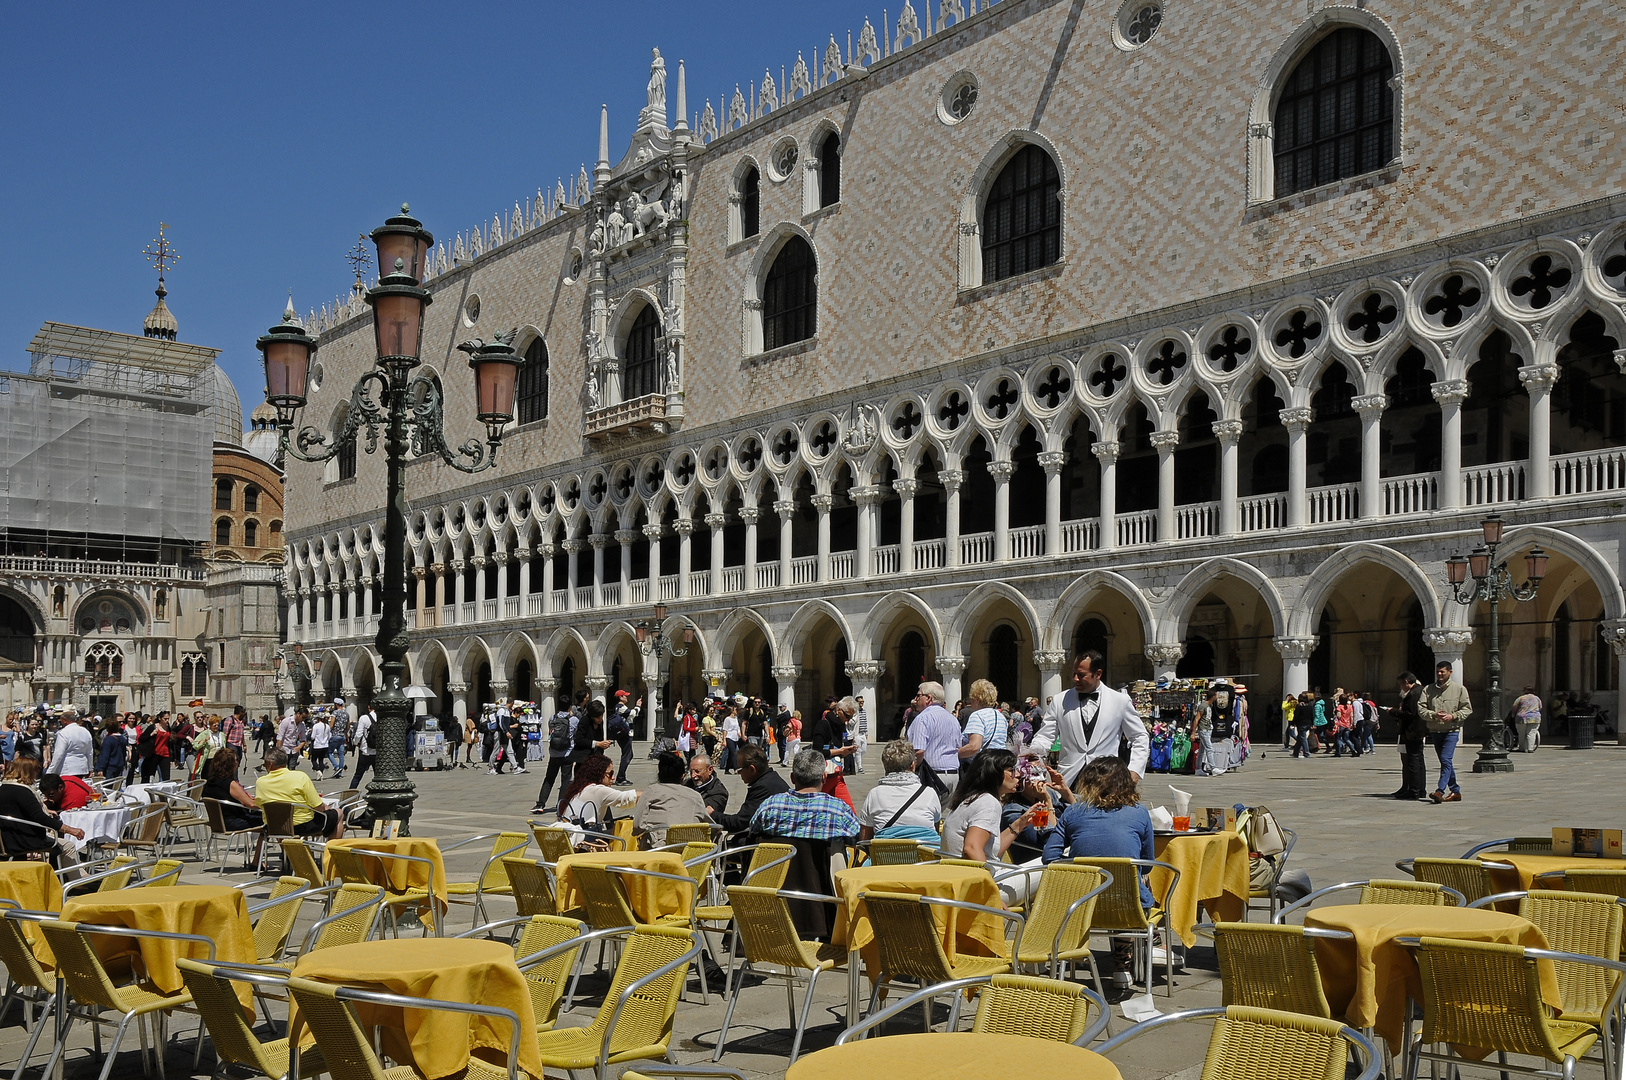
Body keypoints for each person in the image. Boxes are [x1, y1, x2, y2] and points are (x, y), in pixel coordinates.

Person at [1042, 757, 1156, 986]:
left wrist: (1077, 864)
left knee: (1110, 885)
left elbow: (1049, 858)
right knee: (1136, 883)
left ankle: (1072, 955)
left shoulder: (1073, 813)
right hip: (1129, 908)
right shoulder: (1139, 813)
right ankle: (1122, 965)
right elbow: (1147, 863)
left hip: (1080, 905)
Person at [1031, 651, 1150, 784]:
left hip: (1106, 780)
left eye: (1081, 675)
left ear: (1098, 674)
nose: (1075, 678)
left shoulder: (1120, 701)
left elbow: (1139, 736)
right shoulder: (1060, 700)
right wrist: (1034, 754)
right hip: (1068, 780)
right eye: (1074, 674)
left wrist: (1134, 770)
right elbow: (1045, 736)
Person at [941, 749, 1040, 865]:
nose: (1018, 774)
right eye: (1011, 770)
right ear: (994, 773)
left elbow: (991, 853)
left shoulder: (970, 799)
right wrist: (988, 879)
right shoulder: (989, 803)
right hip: (975, 877)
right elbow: (972, 848)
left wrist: (1019, 824)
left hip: (958, 872)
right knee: (1045, 864)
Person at [856, 738, 942, 846]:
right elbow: (935, 831)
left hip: (886, 860)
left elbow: (864, 840)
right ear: (912, 766)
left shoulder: (874, 794)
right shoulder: (929, 793)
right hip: (924, 860)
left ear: (885, 766)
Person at [0, 757, 84, 863]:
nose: (37, 774)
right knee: (68, 846)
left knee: (59, 844)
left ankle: (76, 876)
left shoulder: (4, 788)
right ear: (28, 771)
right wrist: (71, 830)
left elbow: (16, 811)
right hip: (25, 840)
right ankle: (72, 878)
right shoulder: (23, 792)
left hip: (8, 839)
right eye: (36, 770)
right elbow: (41, 818)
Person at [255, 748, 341, 839]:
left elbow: (260, 804)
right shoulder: (300, 777)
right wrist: (327, 809)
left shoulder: (260, 782)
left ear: (270, 764)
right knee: (339, 813)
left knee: (280, 819)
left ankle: (287, 851)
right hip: (302, 826)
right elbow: (317, 806)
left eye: (264, 765)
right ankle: (332, 850)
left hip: (273, 826)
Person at [630, 751, 711, 847]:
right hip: (689, 852)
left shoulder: (651, 791)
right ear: (683, 776)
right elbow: (709, 825)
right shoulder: (695, 796)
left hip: (658, 850)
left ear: (659, 774)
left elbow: (638, 827)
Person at [1420, 660, 1471, 803]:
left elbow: (1467, 709)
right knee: (1445, 762)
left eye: (1442, 671)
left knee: (1445, 759)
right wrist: (1434, 714)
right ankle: (1455, 791)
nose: (1440, 674)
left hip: (1451, 730)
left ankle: (1439, 791)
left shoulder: (1459, 689)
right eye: (1438, 671)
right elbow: (1421, 708)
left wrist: (1453, 716)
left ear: (1450, 672)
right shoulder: (1428, 689)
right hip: (1436, 730)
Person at [715, 743, 789, 838]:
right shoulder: (771, 778)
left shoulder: (763, 787)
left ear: (752, 769)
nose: (739, 773)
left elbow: (739, 823)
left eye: (740, 769)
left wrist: (713, 814)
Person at [907, 682, 963, 796]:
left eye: (918, 696)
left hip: (932, 776)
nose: (915, 699)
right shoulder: (952, 719)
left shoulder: (923, 718)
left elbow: (919, 750)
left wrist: (910, 771)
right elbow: (958, 746)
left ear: (928, 698)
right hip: (953, 775)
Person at [558, 752, 637, 832]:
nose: (613, 778)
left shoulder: (580, 788)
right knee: (629, 832)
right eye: (610, 774)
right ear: (598, 774)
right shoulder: (597, 790)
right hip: (582, 839)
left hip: (571, 836)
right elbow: (628, 798)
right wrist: (650, 792)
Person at [1387, 671, 1429, 800]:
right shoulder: (1421, 690)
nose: (1400, 687)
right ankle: (1420, 789)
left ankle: (1414, 791)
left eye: (1400, 684)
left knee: (1413, 761)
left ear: (1406, 682)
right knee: (1419, 761)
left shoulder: (1413, 694)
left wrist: (1393, 711)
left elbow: (1409, 714)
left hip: (1412, 731)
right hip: (1419, 731)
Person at [201, 748, 263, 830]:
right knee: (271, 820)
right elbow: (250, 804)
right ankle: (280, 842)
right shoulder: (230, 784)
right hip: (234, 822)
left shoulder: (210, 782)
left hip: (218, 822)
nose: (237, 763)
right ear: (229, 764)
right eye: (236, 760)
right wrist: (270, 804)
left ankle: (262, 842)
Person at [958, 679, 1006, 765]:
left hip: (982, 766)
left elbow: (974, 746)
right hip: (999, 763)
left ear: (977, 699)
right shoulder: (1000, 716)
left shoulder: (977, 716)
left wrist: (954, 755)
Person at [47, 711, 94, 779]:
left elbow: (58, 754)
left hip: (67, 768)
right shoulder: (85, 731)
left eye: (61, 721)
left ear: (65, 720)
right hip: (82, 768)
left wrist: (50, 771)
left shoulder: (63, 733)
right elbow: (89, 752)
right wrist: (90, 768)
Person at [687, 753, 730, 817]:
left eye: (697, 771)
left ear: (710, 770)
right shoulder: (686, 784)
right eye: (691, 772)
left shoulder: (719, 792)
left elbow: (703, 811)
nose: (693, 776)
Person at [609, 691, 638, 784]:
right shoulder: (620, 707)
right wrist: (638, 706)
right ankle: (620, 778)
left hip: (624, 734)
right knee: (626, 755)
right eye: (625, 696)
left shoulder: (619, 707)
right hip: (625, 734)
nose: (626, 697)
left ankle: (621, 776)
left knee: (629, 755)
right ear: (620, 697)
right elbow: (633, 713)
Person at [349, 706, 376, 789]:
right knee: (379, 776)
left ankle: (350, 796)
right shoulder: (382, 717)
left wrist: (355, 743)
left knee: (358, 776)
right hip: (378, 752)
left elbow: (358, 734)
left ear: (368, 707)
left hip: (365, 750)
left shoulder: (364, 718)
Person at [1511, 685, 1543, 753]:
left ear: (1524, 691)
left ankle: (1522, 748)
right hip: (1535, 718)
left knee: (1521, 734)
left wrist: (1513, 715)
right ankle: (1530, 748)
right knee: (1532, 733)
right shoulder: (1537, 698)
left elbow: (1514, 707)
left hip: (1522, 717)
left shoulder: (1520, 698)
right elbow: (1540, 707)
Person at [307, 713, 332, 778]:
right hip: (325, 746)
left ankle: (318, 771)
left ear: (318, 719)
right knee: (321, 760)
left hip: (317, 745)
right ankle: (321, 773)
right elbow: (329, 736)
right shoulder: (327, 726)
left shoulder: (316, 726)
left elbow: (312, 737)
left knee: (313, 760)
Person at [851, 695, 869, 773]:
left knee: (864, 750)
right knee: (858, 751)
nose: (861, 703)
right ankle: (860, 767)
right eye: (860, 702)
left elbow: (865, 722)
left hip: (863, 733)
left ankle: (856, 761)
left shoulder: (864, 711)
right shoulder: (854, 712)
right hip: (857, 734)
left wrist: (866, 732)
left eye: (862, 702)